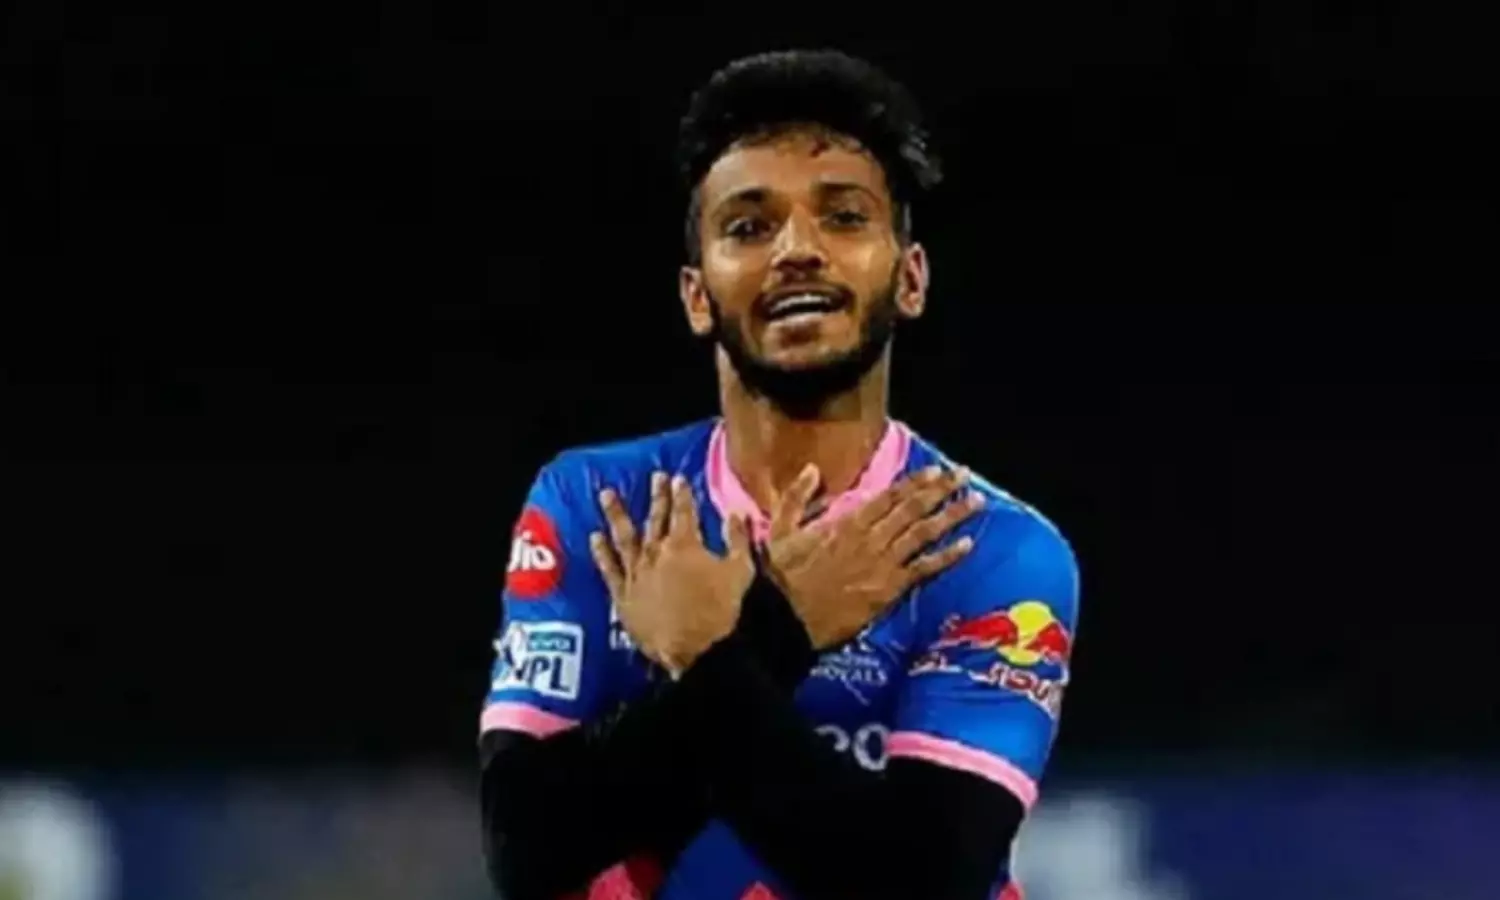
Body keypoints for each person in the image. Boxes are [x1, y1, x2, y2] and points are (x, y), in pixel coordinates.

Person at [478, 48, 1080, 900]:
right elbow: (527, 851)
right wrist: (782, 629)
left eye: (844, 217)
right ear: (697, 296)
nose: (798, 250)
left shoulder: (988, 548)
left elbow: (922, 880)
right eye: (749, 228)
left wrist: (709, 654)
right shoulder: (596, 507)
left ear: (909, 278)